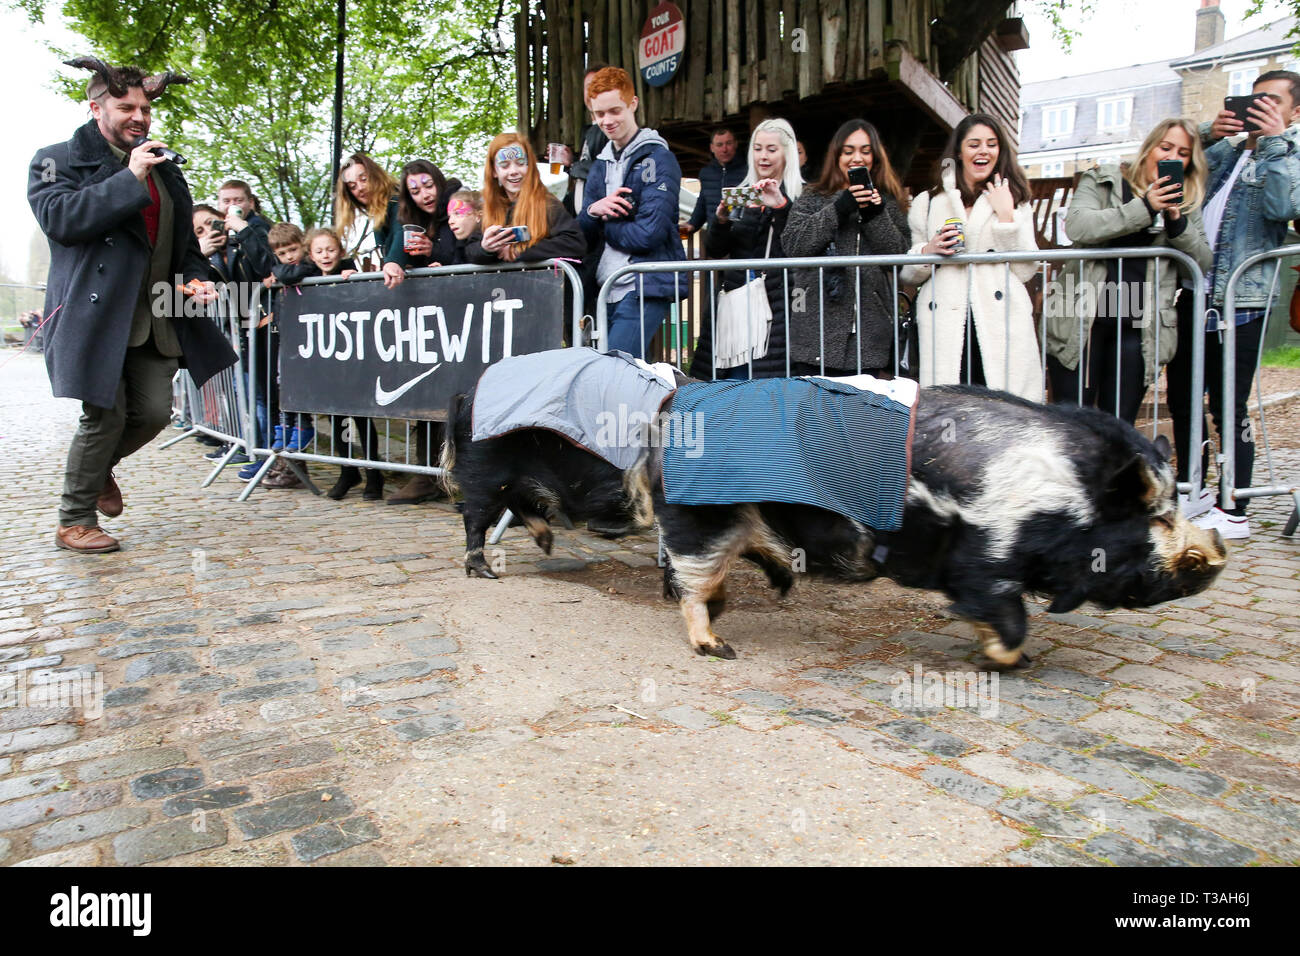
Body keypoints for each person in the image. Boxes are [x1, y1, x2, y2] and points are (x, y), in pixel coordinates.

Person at [28, 57, 231, 553]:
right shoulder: (56, 159)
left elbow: (183, 247)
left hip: (157, 314)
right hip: (95, 314)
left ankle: (97, 471)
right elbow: (61, 220)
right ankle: (74, 520)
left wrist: (199, 279)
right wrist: (130, 176)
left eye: (144, 107)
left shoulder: (167, 171)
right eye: (126, 106)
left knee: (156, 411)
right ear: (95, 107)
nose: (138, 116)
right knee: (105, 415)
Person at [1167, 69, 1300, 539]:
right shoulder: (1225, 150)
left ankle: (1234, 506)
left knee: (1230, 405)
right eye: (1255, 99)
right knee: (1184, 400)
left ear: (1294, 112)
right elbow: (1177, 172)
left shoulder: (1290, 155)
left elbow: (1285, 209)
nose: (1260, 107)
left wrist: (1275, 144)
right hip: (1193, 294)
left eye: (1273, 101)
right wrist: (1208, 133)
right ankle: (1192, 490)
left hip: (1241, 300)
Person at [1044, 119, 1211, 424]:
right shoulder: (1103, 179)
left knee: (1119, 428)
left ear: (1189, 163)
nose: (1172, 156)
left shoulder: (1185, 203)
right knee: (1071, 426)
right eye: (1165, 147)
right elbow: (1078, 226)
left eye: (1183, 152)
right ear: (1149, 148)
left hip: (1137, 322)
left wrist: (1177, 222)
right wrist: (1144, 207)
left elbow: (1201, 262)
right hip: (1083, 315)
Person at [902, 113, 1040, 399]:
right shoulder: (928, 202)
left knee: (1005, 413)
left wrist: (1006, 216)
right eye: (974, 144)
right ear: (959, 152)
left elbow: (1026, 270)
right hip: (946, 321)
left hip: (1000, 319)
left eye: (992, 144)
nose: (983, 151)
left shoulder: (1015, 199)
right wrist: (930, 251)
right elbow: (908, 273)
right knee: (952, 410)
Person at [783, 119, 910, 376]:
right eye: (848, 151)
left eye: (865, 151)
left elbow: (896, 257)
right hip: (815, 332)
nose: (857, 158)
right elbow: (793, 244)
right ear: (837, 155)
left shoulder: (887, 203)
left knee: (863, 416)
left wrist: (876, 215)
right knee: (814, 414)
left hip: (870, 334)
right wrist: (840, 208)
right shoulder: (813, 196)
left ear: (875, 157)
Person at [579, 66, 686, 358]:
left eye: (615, 111)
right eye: (600, 114)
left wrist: (605, 224)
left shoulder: (659, 158)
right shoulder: (599, 165)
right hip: (603, 289)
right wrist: (592, 211)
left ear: (633, 104)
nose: (607, 121)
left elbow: (649, 234)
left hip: (644, 285)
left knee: (614, 368)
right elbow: (581, 235)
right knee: (626, 376)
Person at [690, 118, 802, 379]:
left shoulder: (800, 196)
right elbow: (717, 250)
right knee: (731, 384)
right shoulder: (742, 193)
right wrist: (720, 220)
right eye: (758, 148)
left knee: (770, 390)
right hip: (737, 306)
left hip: (779, 309)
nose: (763, 156)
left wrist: (780, 207)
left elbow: (800, 246)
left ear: (788, 153)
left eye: (771, 150)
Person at [467, 133, 586, 267]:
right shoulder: (489, 208)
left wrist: (520, 250)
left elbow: (575, 243)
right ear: (494, 171)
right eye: (505, 165)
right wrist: (485, 248)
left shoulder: (547, 204)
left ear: (529, 166)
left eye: (520, 163)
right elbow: (470, 251)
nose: (513, 171)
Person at [333, 152, 406, 288]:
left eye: (364, 179)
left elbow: (402, 230)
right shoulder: (377, 214)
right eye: (353, 186)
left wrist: (394, 262)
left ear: (375, 176)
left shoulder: (396, 200)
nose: (360, 188)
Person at [565, 62, 611, 215]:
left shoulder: (609, 129)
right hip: (585, 224)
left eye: (598, 85)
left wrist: (574, 166)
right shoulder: (589, 131)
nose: (592, 91)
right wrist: (570, 163)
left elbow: (610, 171)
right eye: (588, 86)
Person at [685, 127, 747, 235]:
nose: (724, 149)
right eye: (719, 145)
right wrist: (692, 224)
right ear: (712, 148)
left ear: (736, 144)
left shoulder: (748, 172)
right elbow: (703, 203)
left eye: (728, 143)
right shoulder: (706, 173)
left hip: (742, 237)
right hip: (715, 237)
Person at [446, 189, 483, 264]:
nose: (450, 221)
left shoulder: (489, 241)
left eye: (457, 213)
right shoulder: (459, 247)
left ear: (478, 216)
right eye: (449, 216)